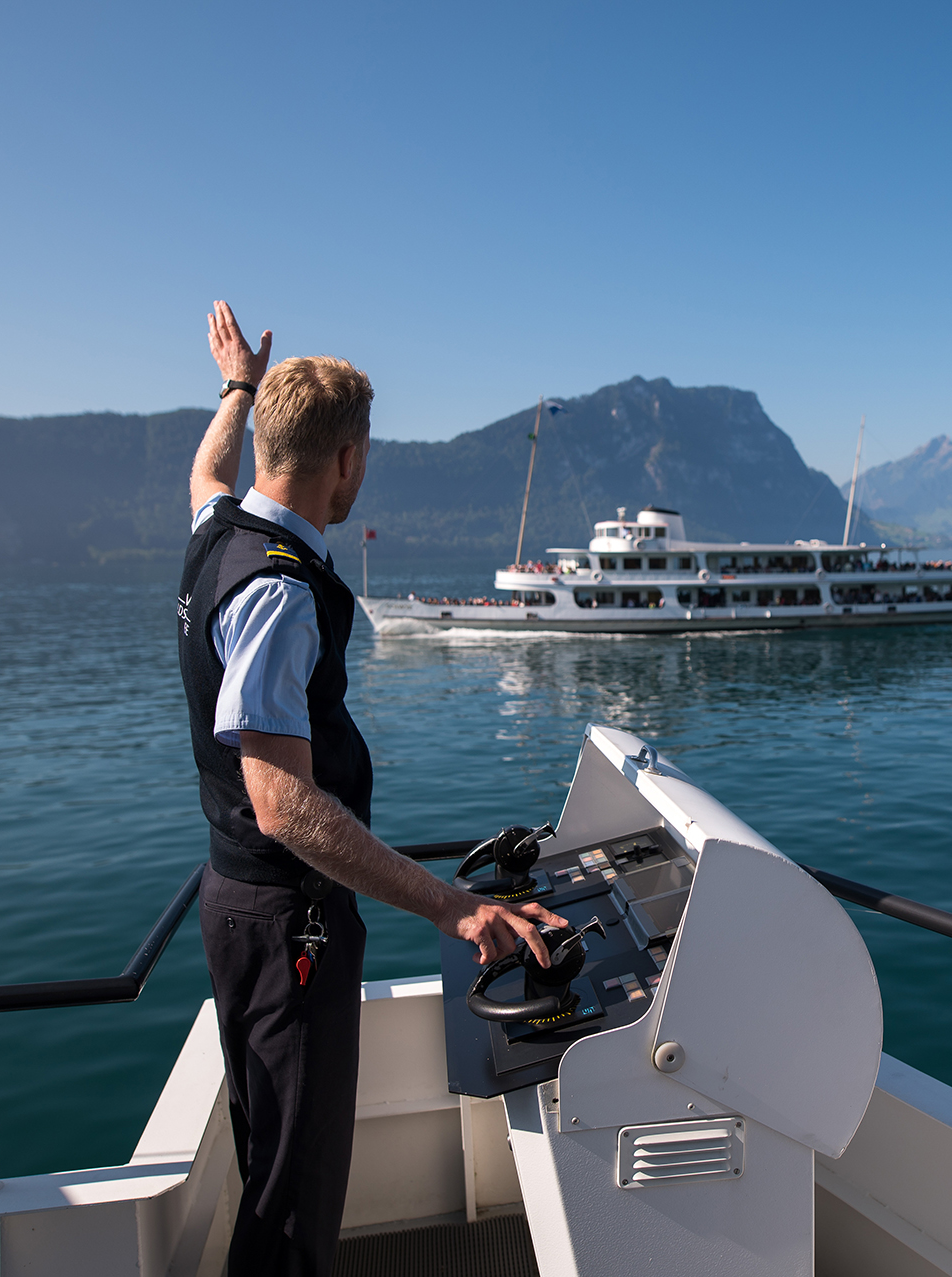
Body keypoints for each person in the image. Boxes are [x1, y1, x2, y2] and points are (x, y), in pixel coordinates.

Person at [178, 301, 566, 1275]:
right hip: (288, 922)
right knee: (296, 1202)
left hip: (239, 907)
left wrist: (235, 388)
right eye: (364, 455)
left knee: (272, 1161)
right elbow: (282, 800)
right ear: (345, 459)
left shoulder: (216, 528)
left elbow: (203, 470)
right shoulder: (277, 590)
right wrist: (454, 904)